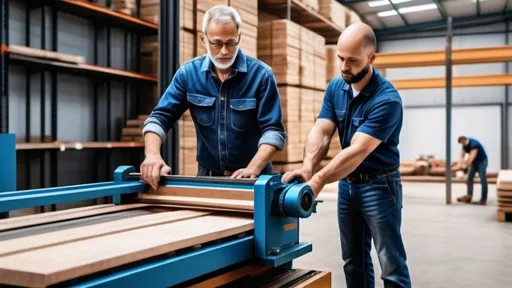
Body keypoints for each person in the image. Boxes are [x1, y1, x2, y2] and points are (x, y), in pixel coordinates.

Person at [282, 23, 411, 288]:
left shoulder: (387, 100)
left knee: (391, 264)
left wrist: (317, 181)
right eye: (341, 58)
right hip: (348, 185)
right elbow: (323, 131)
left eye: (352, 60)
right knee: (353, 261)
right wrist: (307, 169)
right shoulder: (336, 88)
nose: (343, 66)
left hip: (380, 186)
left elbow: (356, 152)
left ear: (371, 58)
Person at [140, 5, 286, 190]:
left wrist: (252, 169)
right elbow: (159, 118)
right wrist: (152, 154)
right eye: (217, 43)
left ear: (239, 38)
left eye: (231, 43)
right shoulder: (188, 74)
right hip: (207, 178)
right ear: (204, 39)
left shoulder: (261, 76)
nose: (224, 51)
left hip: (255, 178)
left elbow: (274, 131)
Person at [454, 136, 488, 205]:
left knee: (483, 179)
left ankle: (483, 199)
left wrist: (465, 165)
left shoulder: (474, 144)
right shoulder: (464, 145)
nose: (461, 144)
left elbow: (472, 156)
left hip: (482, 161)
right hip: (474, 162)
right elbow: (462, 156)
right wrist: (459, 165)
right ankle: (469, 196)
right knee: (469, 178)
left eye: (462, 142)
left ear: (464, 139)